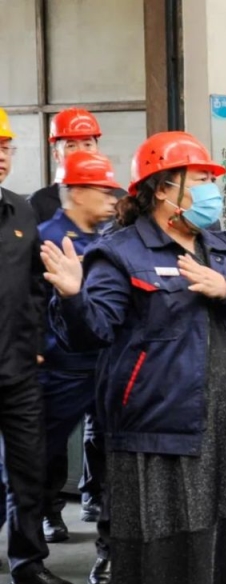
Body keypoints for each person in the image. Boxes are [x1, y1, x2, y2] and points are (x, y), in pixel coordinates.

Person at [41, 131, 226, 584]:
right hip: (159, 433)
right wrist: (72, 297)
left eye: (211, 179)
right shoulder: (120, 253)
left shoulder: (223, 247)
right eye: (200, 180)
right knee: (168, 558)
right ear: (163, 188)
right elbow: (93, 331)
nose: (211, 191)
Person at [0, 107, 78, 584]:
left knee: (28, 471)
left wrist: (35, 345)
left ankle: (28, 565)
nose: (1, 156)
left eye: (5, 147)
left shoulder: (21, 211)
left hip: (18, 371)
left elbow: (35, 285)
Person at [37, 151, 121, 584]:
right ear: (77, 192)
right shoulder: (48, 238)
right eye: (102, 190)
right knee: (29, 462)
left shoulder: (108, 238)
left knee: (111, 459)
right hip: (60, 369)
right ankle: (30, 546)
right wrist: (33, 349)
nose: (111, 198)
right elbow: (28, 301)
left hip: (103, 366)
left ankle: (109, 549)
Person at [29, 107, 112, 536]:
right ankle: (47, 510)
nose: (80, 149)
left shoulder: (109, 208)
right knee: (47, 443)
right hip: (59, 354)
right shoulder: (40, 210)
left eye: (88, 142)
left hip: (101, 351)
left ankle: (96, 497)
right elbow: (29, 289)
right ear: (55, 149)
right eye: (71, 143)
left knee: (103, 433)